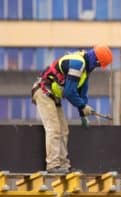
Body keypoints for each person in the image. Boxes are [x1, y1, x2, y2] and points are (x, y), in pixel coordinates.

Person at [31, 44, 113, 173]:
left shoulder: (85, 69)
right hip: (43, 92)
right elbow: (69, 92)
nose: (97, 68)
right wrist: (82, 106)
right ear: (96, 61)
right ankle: (53, 165)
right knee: (54, 128)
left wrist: (83, 114)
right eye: (99, 65)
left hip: (52, 95)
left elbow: (82, 93)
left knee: (63, 129)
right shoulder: (77, 63)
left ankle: (63, 165)